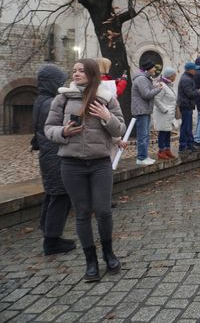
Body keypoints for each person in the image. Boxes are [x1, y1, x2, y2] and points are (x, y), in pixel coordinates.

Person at [44, 59, 126, 282]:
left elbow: (120, 128)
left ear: (92, 73)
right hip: (72, 165)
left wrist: (107, 117)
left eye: (81, 70)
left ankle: (108, 253)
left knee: (103, 211)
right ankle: (91, 261)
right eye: (74, 70)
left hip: (100, 163)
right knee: (82, 213)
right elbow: (48, 129)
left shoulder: (106, 98)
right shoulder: (62, 98)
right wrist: (63, 132)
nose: (76, 73)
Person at [32, 64, 76, 255]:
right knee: (60, 196)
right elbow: (61, 127)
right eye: (59, 82)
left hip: (48, 156)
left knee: (52, 193)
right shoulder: (50, 103)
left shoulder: (40, 100)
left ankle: (48, 231)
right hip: (55, 156)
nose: (61, 85)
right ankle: (52, 241)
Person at [131, 59, 163, 165]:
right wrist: (158, 88)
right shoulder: (141, 79)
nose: (155, 69)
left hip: (145, 110)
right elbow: (146, 94)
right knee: (143, 135)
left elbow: (148, 91)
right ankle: (141, 158)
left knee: (146, 135)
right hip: (141, 111)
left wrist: (155, 86)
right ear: (148, 68)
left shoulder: (145, 78)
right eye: (153, 67)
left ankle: (144, 156)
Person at [177, 62, 200, 153]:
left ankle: (189, 144)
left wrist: (198, 90)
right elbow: (190, 94)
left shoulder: (188, 78)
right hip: (186, 105)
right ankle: (183, 146)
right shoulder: (186, 79)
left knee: (188, 126)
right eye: (195, 69)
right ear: (190, 70)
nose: (196, 71)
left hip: (187, 104)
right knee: (186, 126)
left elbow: (191, 91)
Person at [153, 66, 178, 160]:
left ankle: (167, 149)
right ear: (170, 76)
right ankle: (161, 151)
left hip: (169, 114)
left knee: (168, 132)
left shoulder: (169, 85)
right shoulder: (162, 86)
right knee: (163, 132)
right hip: (163, 113)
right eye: (174, 75)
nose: (175, 76)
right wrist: (164, 109)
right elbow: (156, 99)